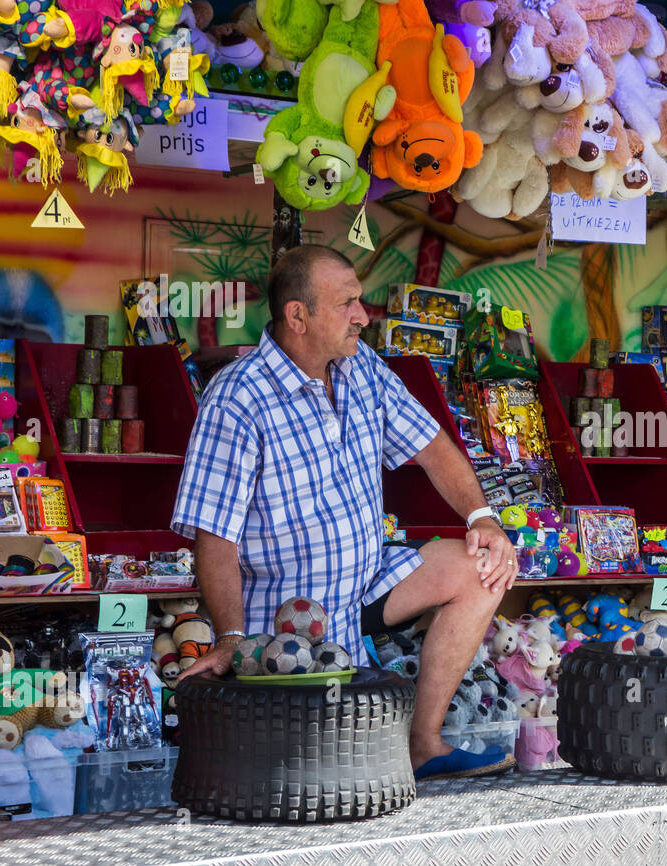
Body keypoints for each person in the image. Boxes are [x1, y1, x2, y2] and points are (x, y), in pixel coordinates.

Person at [171, 245, 519, 782]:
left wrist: (483, 518)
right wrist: (232, 640)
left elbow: (432, 446)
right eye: (347, 303)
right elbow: (214, 537)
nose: (363, 314)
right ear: (298, 316)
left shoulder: (363, 367)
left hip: (363, 587)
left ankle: (423, 743)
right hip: (288, 620)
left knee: (483, 567)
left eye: (360, 300)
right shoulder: (237, 399)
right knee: (316, 770)